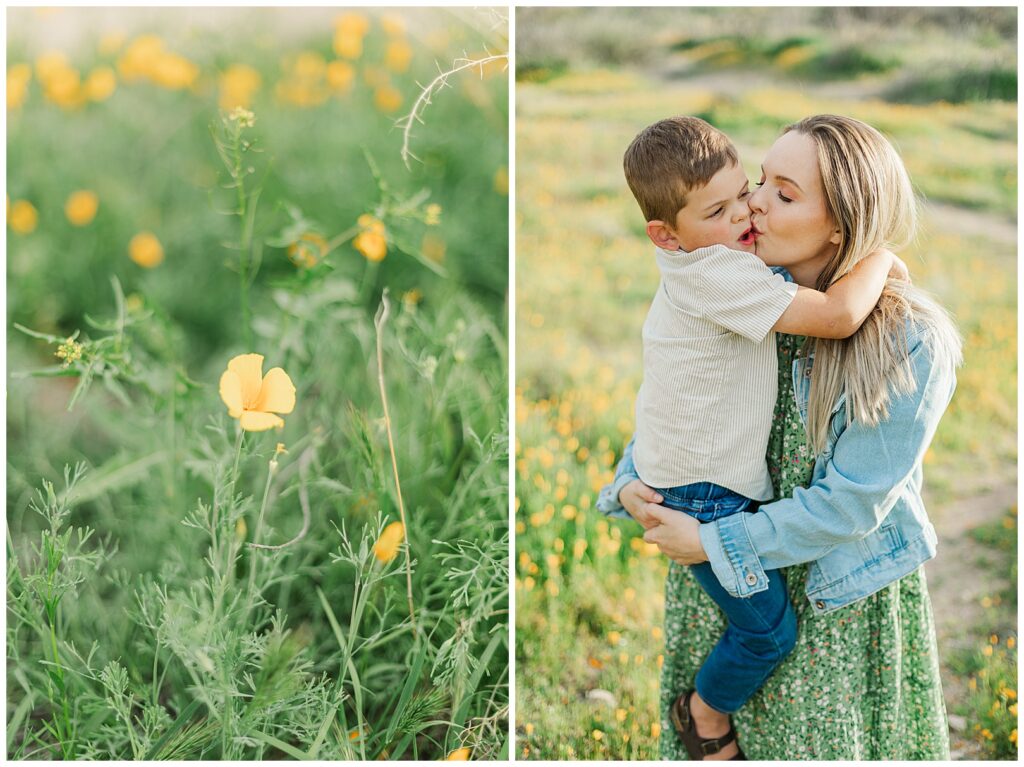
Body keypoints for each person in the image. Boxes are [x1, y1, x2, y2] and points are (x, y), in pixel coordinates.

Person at [601, 114, 962, 760]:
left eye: (782, 193)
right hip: (727, 585)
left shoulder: (909, 341)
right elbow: (682, 412)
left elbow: (850, 504)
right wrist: (632, 482)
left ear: (840, 224)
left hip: (834, 612)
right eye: (760, 181)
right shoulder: (751, 301)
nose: (754, 204)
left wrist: (709, 538)